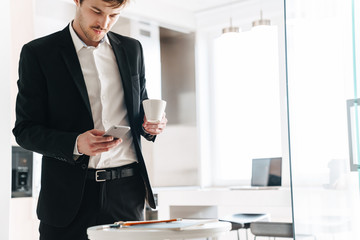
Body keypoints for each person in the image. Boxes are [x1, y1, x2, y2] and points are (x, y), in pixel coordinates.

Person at [12, 0, 167, 239]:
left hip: (127, 195)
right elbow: (25, 131)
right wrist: (75, 144)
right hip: (67, 198)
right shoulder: (38, 53)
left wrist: (151, 126)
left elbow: (139, 112)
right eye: (96, 11)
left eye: (113, 15)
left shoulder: (132, 49)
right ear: (77, 1)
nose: (104, 23)